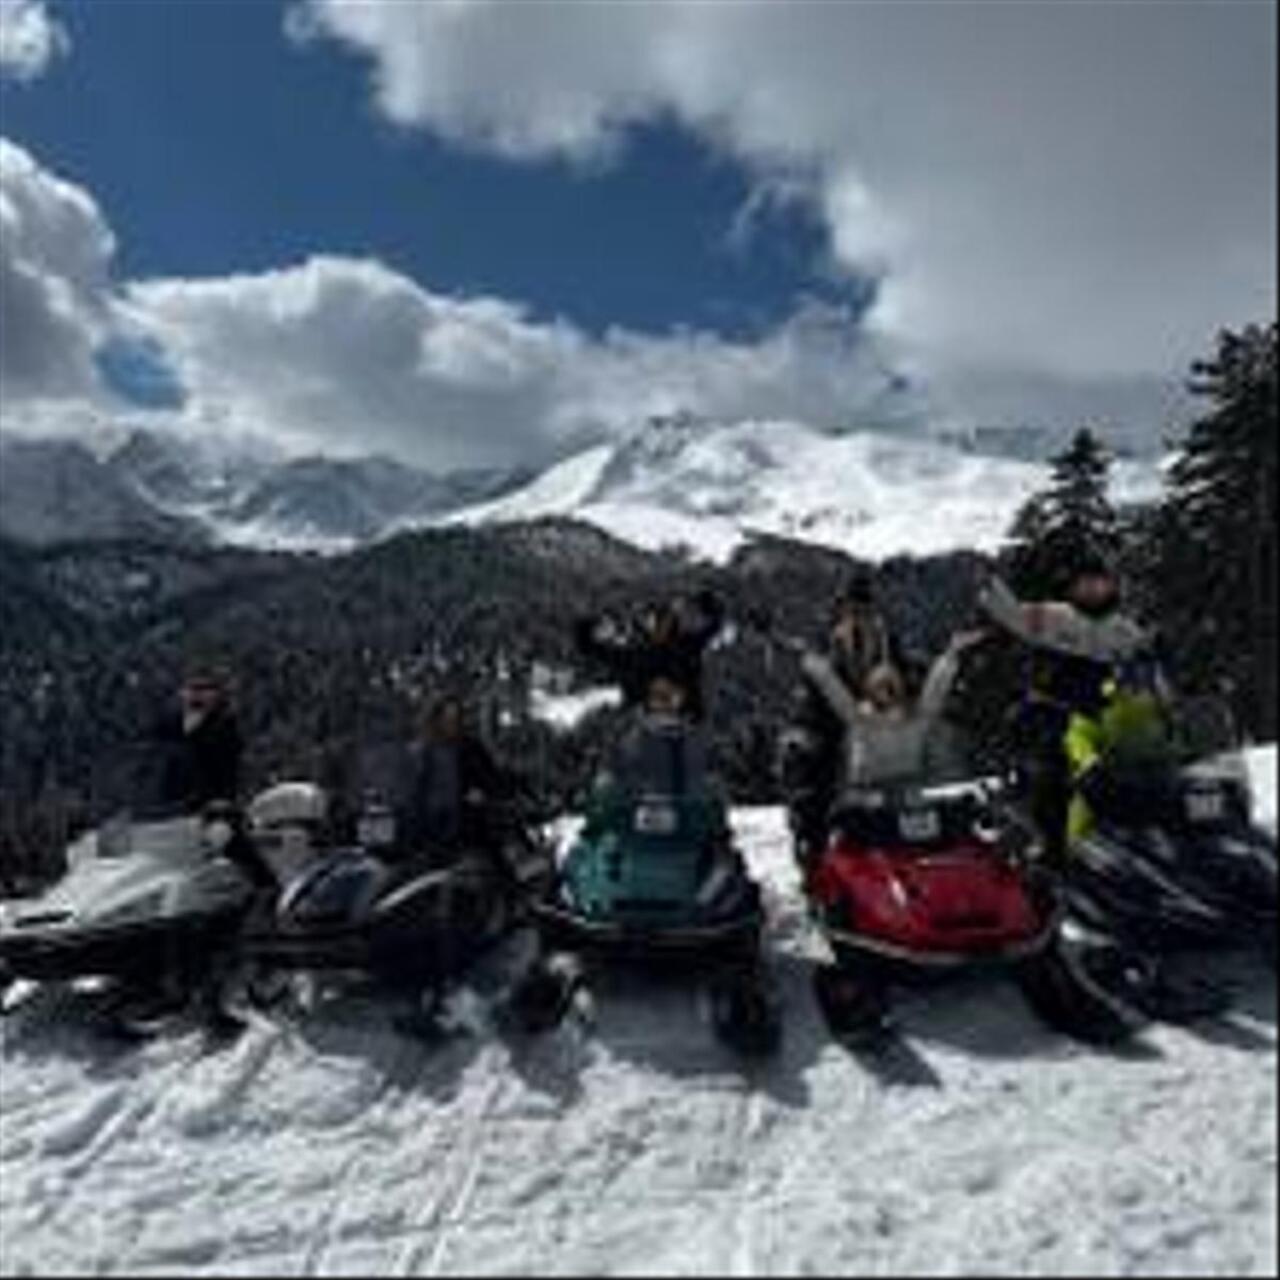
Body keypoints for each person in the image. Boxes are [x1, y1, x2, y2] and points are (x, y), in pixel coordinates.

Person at [978, 547, 1153, 862]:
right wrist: (990, 584)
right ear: (1073, 587)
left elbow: (1148, 673)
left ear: (1112, 585)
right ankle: (1050, 849)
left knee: (1143, 770)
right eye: (1085, 583)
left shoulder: (1125, 630)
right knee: (1053, 776)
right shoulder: (1054, 616)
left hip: (1105, 720)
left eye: (1099, 582)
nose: (1093, 589)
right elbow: (1012, 615)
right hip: (1053, 715)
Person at [782, 629, 986, 864]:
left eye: (891, 686)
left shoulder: (916, 718)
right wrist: (808, 657)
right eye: (880, 687)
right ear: (870, 691)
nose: (887, 693)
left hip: (909, 796)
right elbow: (830, 685)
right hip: (868, 802)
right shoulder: (860, 719)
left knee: (943, 834)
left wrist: (951, 654)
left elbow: (937, 687)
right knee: (863, 842)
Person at [574, 588, 725, 721]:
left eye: (697, 614)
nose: (690, 616)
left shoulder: (694, 651)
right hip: (648, 666)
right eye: (691, 610)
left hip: (653, 681)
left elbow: (692, 705)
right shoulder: (672, 628)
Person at [153, 667, 243, 814]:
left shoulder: (226, 726)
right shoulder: (168, 724)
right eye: (193, 689)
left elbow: (229, 768)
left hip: (212, 805)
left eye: (205, 689)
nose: (198, 695)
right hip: (168, 806)